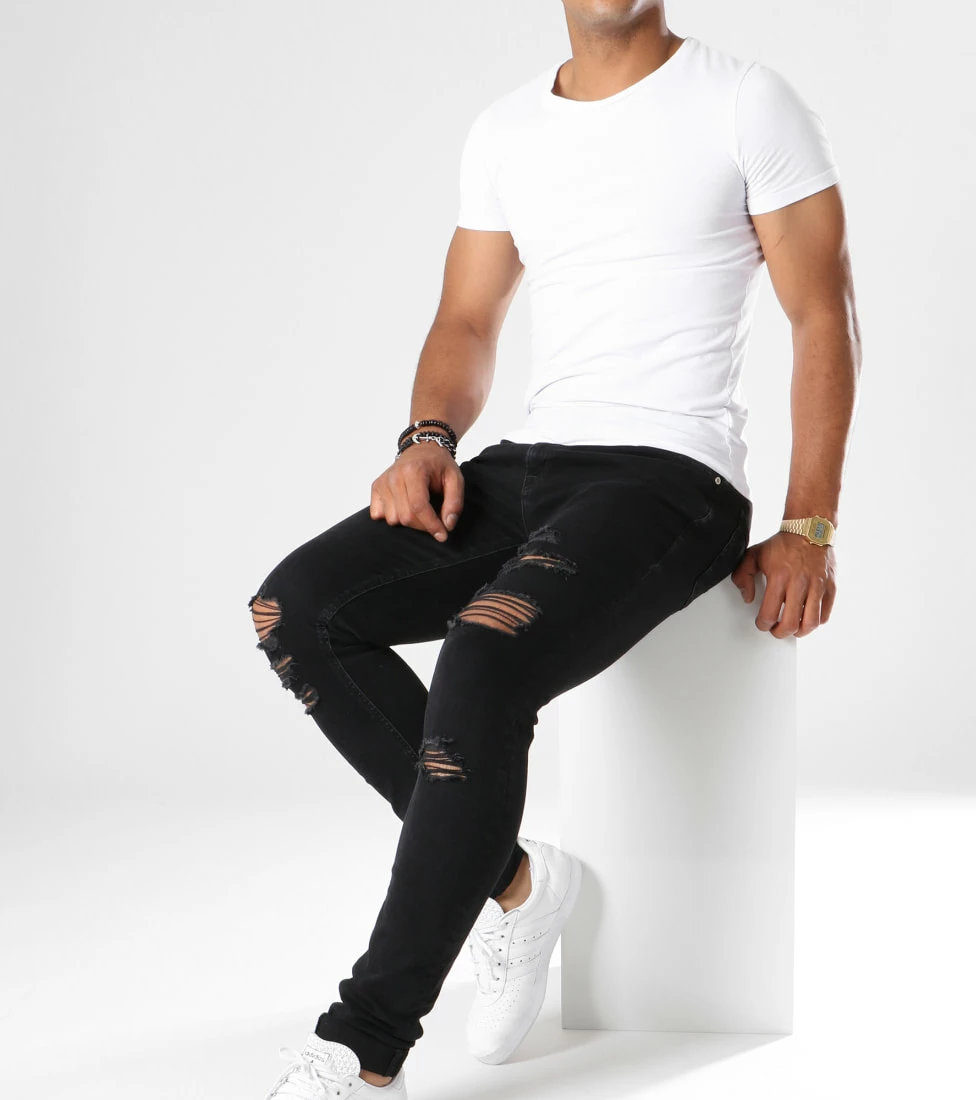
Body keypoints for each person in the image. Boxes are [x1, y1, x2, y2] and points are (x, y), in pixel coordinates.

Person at [251, 3, 860, 1096]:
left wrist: (808, 521)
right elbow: (467, 320)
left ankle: (365, 1044)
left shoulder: (742, 101)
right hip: (531, 462)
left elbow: (822, 312)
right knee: (297, 608)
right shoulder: (506, 130)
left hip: (672, 474)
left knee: (484, 655)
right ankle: (518, 884)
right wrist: (428, 440)